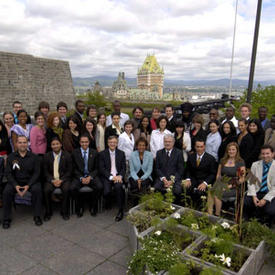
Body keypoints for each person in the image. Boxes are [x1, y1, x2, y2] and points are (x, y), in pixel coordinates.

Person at [2, 136, 43, 229]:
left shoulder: (34, 157)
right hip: (15, 182)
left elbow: (37, 173)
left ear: (28, 143)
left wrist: (28, 186)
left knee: (37, 190)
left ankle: (37, 216)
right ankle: (6, 219)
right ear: (16, 144)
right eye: (20, 142)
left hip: (30, 182)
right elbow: (8, 173)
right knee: (6, 192)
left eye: (24, 142)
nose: (22, 144)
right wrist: (15, 185)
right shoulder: (11, 157)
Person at [208, 142, 245, 216]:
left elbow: (242, 179)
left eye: (233, 149)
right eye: (229, 150)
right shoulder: (223, 160)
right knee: (210, 191)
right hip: (222, 183)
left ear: (237, 151)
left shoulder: (240, 162)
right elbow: (218, 174)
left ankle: (217, 215)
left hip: (234, 186)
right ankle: (209, 214)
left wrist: (229, 186)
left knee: (217, 194)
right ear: (227, 151)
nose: (231, 151)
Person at [71, 135, 103, 217]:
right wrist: (81, 178)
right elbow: (73, 169)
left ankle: (93, 206)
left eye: (86, 142)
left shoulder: (95, 152)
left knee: (99, 187)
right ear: (79, 143)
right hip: (79, 176)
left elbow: (97, 168)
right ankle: (80, 206)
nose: (84, 144)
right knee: (73, 188)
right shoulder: (74, 153)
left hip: (91, 176)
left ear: (89, 142)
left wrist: (90, 177)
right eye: (82, 142)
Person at [244, 145, 275, 226]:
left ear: (273, 154)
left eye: (267, 153)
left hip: (270, 194)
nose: (265, 156)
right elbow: (250, 181)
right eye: (263, 154)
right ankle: (246, 223)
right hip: (257, 191)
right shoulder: (255, 165)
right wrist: (254, 196)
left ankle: (267, 226)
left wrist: (265, 200)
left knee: (270, 211)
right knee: (244, 202)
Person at [43, 137, 72, 221]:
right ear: (51, 146)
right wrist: (52, 180)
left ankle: (64, 211)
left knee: (66, 189)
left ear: (61, 145)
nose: (55, 146)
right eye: (53, 144)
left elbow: (69, 171)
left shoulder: (67, 155)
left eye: (57, 144)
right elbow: (45, 172)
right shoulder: (46, 156)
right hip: (51, 179)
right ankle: (48, 212)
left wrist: (61, 180)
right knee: (46, 190)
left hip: (63, 179)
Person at [99, 136, 126, 221]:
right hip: (108, 177)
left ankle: (120, 211)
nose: (112, 144)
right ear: (107, 143)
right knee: (106, 191)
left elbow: (123, 168)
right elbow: (101, 168)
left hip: (118, 176)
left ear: (117, 143)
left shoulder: (121, 153)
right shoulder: (102, 154)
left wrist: (120, 176)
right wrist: (111, 177)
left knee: (119, 187)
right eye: (110, 142)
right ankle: (108, 201)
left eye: (114, 142)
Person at [184, 139, 217, 207]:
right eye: (197, 147)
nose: (199, 149)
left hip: (204, 180)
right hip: (193, 179)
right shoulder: (191, 156)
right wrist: (187, 179)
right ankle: (187, 208)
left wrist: (205, 183)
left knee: (200, 192)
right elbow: (188, 170)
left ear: (204, 147)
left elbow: (213, 174)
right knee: (186, 188)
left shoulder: (211, 159)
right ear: (195, 147)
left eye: (201, 147)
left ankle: (199, 211)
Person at [154, 134, 184, 202]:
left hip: (174, 180)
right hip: (162, 179)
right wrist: (164, 179)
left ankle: (174, 209)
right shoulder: (159, 153)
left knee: (177, 191)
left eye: (169, 142)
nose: (167, 143)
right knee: (156, 188)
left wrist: (172, 181)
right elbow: (157, 168)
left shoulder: (179, 153)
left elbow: (180, 170)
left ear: (173, 142)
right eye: (165, 141)